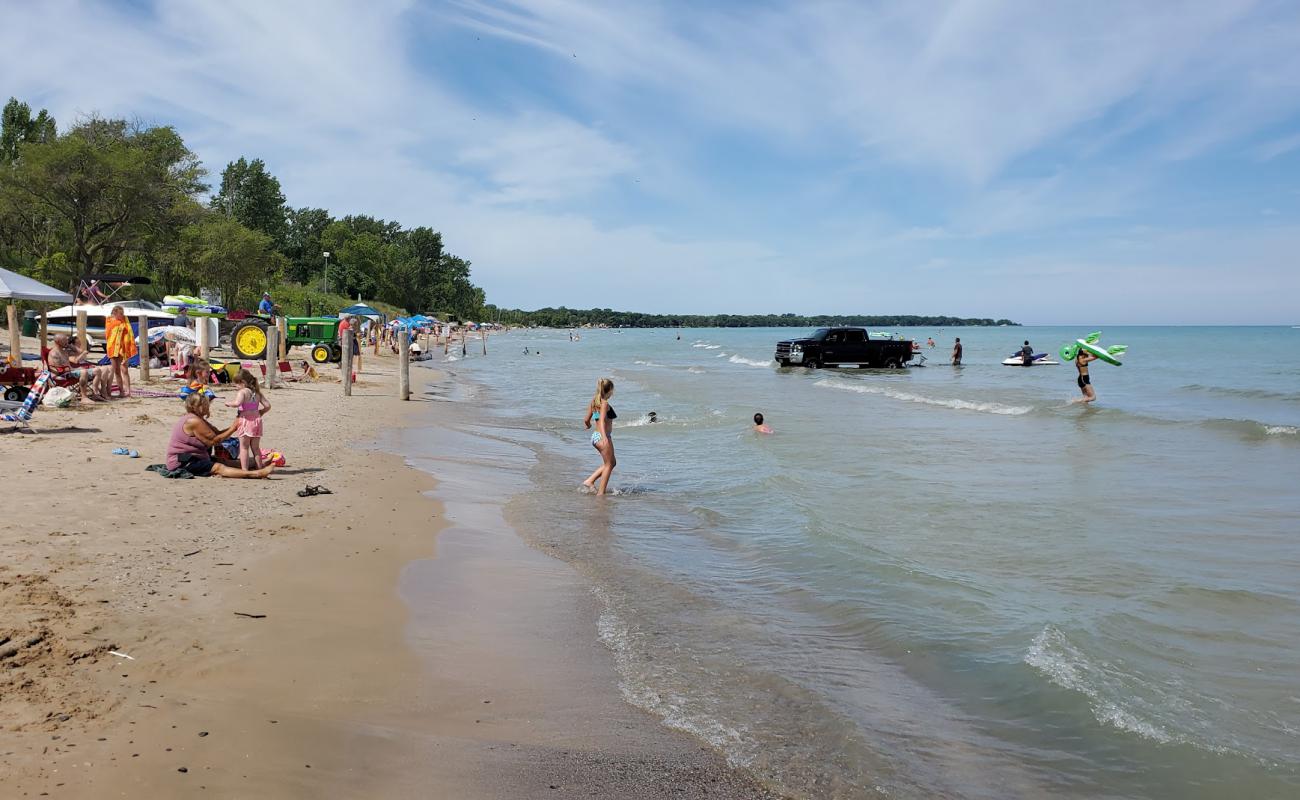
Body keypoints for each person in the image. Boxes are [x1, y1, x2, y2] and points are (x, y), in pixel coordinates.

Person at [167, 393, 274, 478]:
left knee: (223, 461)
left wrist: (235, 424)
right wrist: (233, 428)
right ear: (194, 407)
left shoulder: (198, 419)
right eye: (203, 405)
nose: (206, 407)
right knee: (218, 467)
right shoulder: (193, 421)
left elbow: (218, 434)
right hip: (182, 462)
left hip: (194, 457)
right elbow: (214, 441)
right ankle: (256, 474)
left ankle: (257, 463)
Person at [224, 369, 271, 471]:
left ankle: (244, 470)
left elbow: (237, 403)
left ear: (243, 382)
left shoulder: (243, 392)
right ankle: (260, 468)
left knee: (244, 447)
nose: (236, 386)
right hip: (257, 422)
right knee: (256, 448)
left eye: (237, 384)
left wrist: (229, 403)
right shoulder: (257, 393)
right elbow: (268, 406)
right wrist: (261, 412)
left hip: (245, 421)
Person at [46, 333, 109, 402]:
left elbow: (80, 352)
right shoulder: (54, 353)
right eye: (64, 340)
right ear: (58, 342)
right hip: (64, 375)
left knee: (97, 370)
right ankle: (84, 397)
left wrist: (69, 345)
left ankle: (95, 394)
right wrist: (75, 369)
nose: (67, 342)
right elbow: (58, 370)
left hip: (71, 371)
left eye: (66, 340)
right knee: (83, 371)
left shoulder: (64, 351)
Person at [582, 378, 617, 495]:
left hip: (595, 436)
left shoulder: (594, 401)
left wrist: (588, 425)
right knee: (609, 465)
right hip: (603, 436)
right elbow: (601, 421)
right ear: (610, 391)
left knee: (612, 463)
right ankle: (600, 494)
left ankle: (590, 481)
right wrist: (604, 437)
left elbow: (586, 419)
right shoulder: (605, 404)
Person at [104, 306, 137, 399]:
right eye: (120, 313)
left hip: (123, 348)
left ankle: (128, 391)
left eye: (123, 313)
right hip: (113, 347)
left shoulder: (125, 320)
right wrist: (119, 325)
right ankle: (115, 391)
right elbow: (109, 333)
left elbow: (128, 333)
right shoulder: (109, 320)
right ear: (115, 313)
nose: (122, 315)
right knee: (115, 370)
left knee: (124, 370)